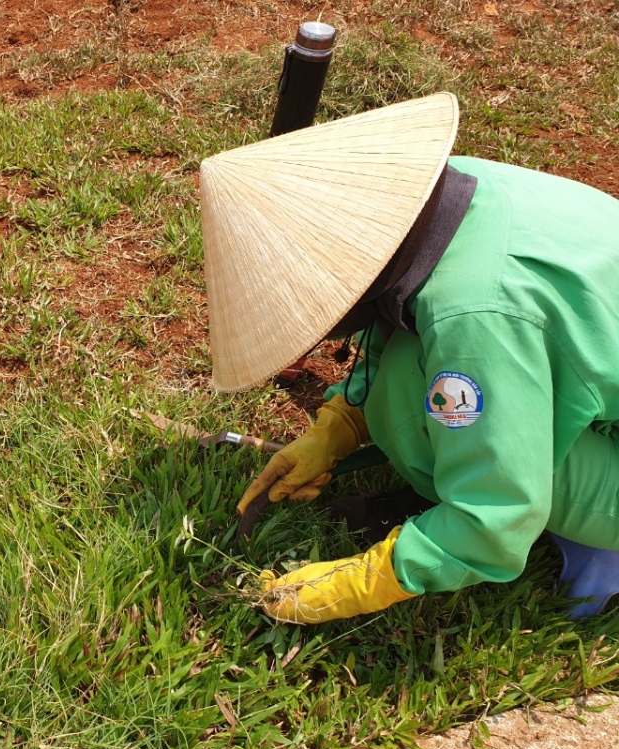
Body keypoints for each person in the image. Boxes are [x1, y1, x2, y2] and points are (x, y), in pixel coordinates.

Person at [199, 92, 619, 624]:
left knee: (428, 423)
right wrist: (340, 424)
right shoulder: (446, 196)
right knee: (408, 378)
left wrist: (368, 579)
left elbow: (495, 515)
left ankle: (604, 541)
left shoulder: (474, 316)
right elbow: (401, 306)